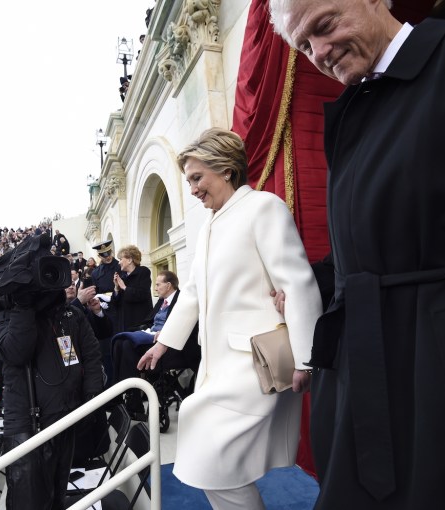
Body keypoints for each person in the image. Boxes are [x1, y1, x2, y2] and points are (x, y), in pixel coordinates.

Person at [268, 1, 445, 509]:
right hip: (362, 398)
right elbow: (372, 249)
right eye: (303, 45)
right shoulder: (355, 112)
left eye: (325, 26)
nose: (320, 53)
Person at [138, 128, 322, 509]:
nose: (192, 190)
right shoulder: (208, 224)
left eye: (196, 178)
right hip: (215, 366)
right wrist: (164, 344)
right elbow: (191, 292)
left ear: (224, 169)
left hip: (255, 364)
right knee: (213, 469)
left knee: (210, 460)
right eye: (189, 180)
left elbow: (297, 281)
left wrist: (306, 358)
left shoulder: (264, 207)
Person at [0, 285, 104, 510]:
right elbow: (15, 352)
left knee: (57, 491)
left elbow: (91, 355)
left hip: (66, 414)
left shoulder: (69, 314)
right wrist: (23, 305)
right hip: (27, 423)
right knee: (30, 499)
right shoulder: (6, 317)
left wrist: (92, 397)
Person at [114, 270, 199, 418]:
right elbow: (149, 322)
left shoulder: (182, 299)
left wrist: (166, 333)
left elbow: (190, 326)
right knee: (120, 343)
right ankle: (128, 396)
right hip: (152, 339)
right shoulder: (161, 301)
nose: (155, 288)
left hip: (174, 348)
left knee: (126, 346)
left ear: (168, 285)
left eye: (158, 284)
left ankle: (132, 400)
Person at [111, 245, 153, 333]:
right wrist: (116, 288)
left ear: (130, 260)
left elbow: (143, 294)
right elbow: (115, 304)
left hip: (139, 324)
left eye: (121, 259)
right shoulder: (122, 277)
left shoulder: (143, 272)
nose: (119, 263)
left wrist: (124, 287)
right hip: (123, 325)